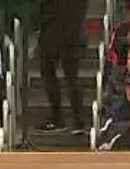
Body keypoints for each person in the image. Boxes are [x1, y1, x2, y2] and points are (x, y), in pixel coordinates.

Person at [37, 0, 87, 133]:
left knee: (72, 77)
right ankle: (56, 117)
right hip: (50, 31)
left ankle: (78, 119)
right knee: (48, 73)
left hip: (72, 34)